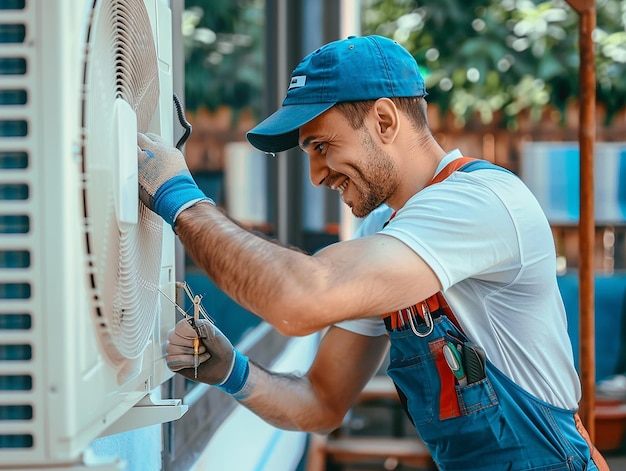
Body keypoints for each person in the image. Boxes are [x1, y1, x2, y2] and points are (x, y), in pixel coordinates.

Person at [137, 35, 608, 470]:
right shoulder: (381, 228)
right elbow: (321, 401)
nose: (317, 175)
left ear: (384, 120)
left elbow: (300, 300)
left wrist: (180, 199)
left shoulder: (481, 202)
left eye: (322, 145)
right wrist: (232, 371)